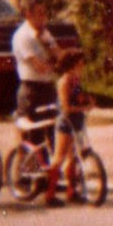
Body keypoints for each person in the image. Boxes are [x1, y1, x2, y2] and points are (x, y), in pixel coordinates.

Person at [42, 48, 93, 207]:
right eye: (80, 63)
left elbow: (78, 97)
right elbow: (65, 107)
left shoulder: (76, 79)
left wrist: (86, 100)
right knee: (59, 158)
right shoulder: (64, 81)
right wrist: (83, 108)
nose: (82, 65)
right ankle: (49, 194)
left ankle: (72, 191)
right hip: (66, 122)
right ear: (73, 64)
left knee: (72, 157)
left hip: (77, 121)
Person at [12, 0, 61, 143]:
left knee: (53, 133)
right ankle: (27, 164)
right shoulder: (23, 36)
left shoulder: (44, 33)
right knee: (33, 137)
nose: (44, 17)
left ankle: (49, 164)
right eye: (39, 13)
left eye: (45, 13)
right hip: (32, 89)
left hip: (48, 87)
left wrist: (60, 59)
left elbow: (58, 54)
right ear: (28, 15)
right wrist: (56, 64)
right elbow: (39, 67)